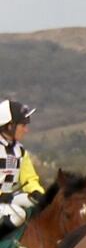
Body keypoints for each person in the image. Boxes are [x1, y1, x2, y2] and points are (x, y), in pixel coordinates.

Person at [0, 99, 45, 238]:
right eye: (23, 125)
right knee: (19, 215)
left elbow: (30, 178)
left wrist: (38, 192)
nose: (26, 130)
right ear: (9, 126)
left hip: (7, 198)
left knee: (42, 207)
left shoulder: (20, 151)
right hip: (3, 198)